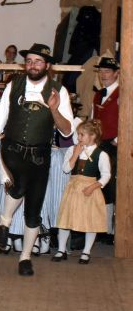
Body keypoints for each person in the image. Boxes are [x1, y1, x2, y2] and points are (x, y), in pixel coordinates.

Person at [0, 43, 74, 277]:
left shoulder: (59, 91)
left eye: (38, 61)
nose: (32, 65)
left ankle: (25, 257)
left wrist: (54, 110)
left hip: (40, 155)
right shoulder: (14, 86)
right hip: (12, 149)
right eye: (29, 61)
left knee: (33, 209)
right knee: (21, 182)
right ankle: (4, 221)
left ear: (47, 65)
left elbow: (67, 131)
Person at [52, 119, 110, 264]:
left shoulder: (101, 154)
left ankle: (86, 252)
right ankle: (61, 250)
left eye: (82, 135)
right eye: (78, 134)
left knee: (90, 220)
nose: (78, 138)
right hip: (73, 188)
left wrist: (93, 186)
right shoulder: (73, 149)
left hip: (90, 189)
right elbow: (66, 169)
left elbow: (106, 175)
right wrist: (75, 154)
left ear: (92, 136)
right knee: (66, 219)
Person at [91, 56, 119, 244]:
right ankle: (103, 228)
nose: (103, 75)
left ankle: (112, 231)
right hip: (100, 144)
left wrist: (119, 139)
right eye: (101, 71)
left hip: (115, 146)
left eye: (107, 71)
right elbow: (93, 118)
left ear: (116, 73)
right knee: (101, 185)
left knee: (113, 186)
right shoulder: (98, 94)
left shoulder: (123, 92)